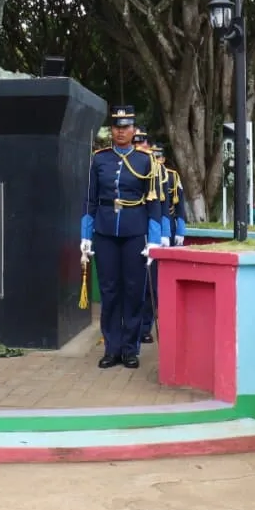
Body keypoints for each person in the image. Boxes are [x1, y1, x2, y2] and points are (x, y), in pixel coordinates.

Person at [79, 105, 162, 370]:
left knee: (134, 291)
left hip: (135, 231)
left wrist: (155, 239)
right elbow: (90, 200)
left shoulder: (145, 160)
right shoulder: (100, 159)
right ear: (111, 130)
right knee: (110, 291)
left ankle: (130, 349)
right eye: (116, 127)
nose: (121, 131)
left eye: (126, 127)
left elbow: (154, 203)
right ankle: (112, 348)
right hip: (105, 231)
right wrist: (86, 235)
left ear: (134, 130)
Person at [141, 143, 185, 343]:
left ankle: (146, 326)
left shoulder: (171, 176)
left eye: (159, 156)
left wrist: (176, 231)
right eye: (153, 155)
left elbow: (178, 205)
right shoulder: (141, 171)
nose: (155, 159)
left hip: (161, 230)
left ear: (164, 159)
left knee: (155, 282)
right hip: (141, 228)